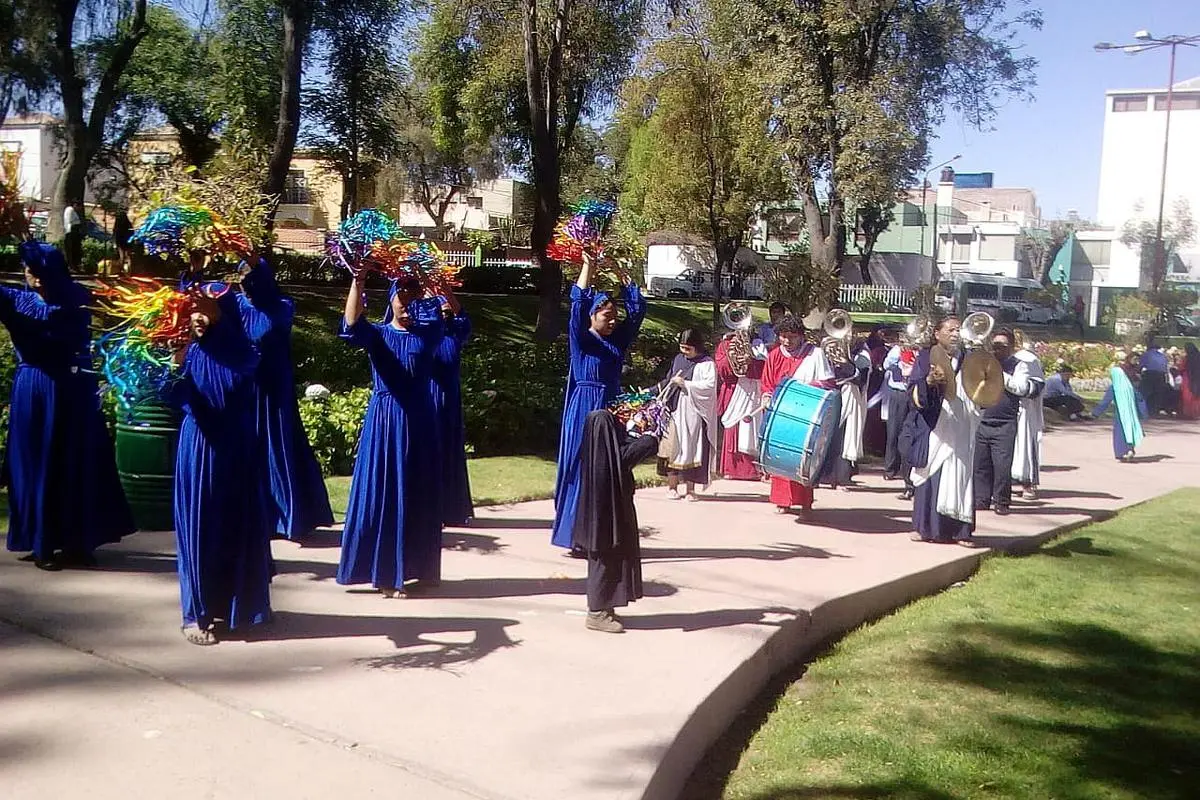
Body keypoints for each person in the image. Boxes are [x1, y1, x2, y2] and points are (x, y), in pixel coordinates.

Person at [3, 242, 134, 570]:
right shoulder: (17, 299)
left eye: (35, 268)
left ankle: (78, 540)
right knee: (37, 461)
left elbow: (68, 331)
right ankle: (41, 541)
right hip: (34, 388)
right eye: (27, 268)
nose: (30, 274)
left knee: (74, 459)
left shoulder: (74, 298)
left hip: (70, 388)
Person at [171, 284, 273, 645]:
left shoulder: (241, 351)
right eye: (190, 308)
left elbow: (241, 367)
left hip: (237, 448)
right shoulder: (185, 350)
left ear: (221, 311)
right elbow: (169, 394)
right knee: (198, 530)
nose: (195, 316)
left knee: (236, 526)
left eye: (203, 308)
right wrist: (172, 364)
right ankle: (195, 614)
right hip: (199, 447)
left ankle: (237, 606)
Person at [337, 274, 445, 596]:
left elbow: (439, 314)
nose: (409, 304)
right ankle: (385, 573)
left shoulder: (429, 334)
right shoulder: (379, 335)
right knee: (385, 493)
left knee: (419, 493)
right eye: (402, 296)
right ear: (391, 299)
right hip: (387, 422)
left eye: (415, 298)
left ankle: (418, 568)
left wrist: (425, 281)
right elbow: (352, 325)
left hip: (421, 420)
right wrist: (358, 280)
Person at [551, 255, 645, 553]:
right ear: (593, 316)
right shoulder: (581, 339)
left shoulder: (616, 342)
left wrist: (620, 270)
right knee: (581, 468)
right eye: (607, 316)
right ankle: (575, 535)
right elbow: (577, 303)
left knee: (609, 470)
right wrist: (588, 266)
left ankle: (603, 533)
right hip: (584, 410)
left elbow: (638, 309)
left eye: (614, 316)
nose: (613, 320)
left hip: (611, 409)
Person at [236, 256, 334, 539]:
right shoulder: (234, 307)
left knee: (277, 447)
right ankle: (252, 515)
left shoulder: (282, 308)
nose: (245, 286)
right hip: (245, 390)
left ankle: (286, 516)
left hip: (274, 389)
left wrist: (253, 258)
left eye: (250, 280)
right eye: (241, 279)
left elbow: (267, 330)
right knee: (246, 449)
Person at [573, 409, 661, 633]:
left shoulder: (598, 450)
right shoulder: (607, 458)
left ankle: (605, 607)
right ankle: (596, 613)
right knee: (605, 560)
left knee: (611, 559)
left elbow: (622, 451)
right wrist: (650, 439)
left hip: (607, 513)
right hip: (607, 516)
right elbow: (624, 457)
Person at [907, 316, 983, 546]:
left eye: (958, 330)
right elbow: (913, 390)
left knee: (959, 474)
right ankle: (925, 528)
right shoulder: (925, 357)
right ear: (937, 334)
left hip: (961, 426)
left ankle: (960, 531)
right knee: (930, 474)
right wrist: (929, 381)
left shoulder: (970, 360)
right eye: (950, 330)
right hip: (935, 426)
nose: (955, 334)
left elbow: (984, 389)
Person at [757, 313, 835, 515]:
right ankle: (782, 501)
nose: (786, 341)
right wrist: (766, 397)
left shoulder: (815, 354)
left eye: (791, 336)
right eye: (783, 336)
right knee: (781, 452)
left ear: (801, 336)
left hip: (806, 414)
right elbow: (767, 384)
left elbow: (828, 383)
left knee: (803, 456)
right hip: (780, 414)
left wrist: (802, 390)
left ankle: (805, 501)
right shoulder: (774, 355)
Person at [973, 327, 1041, 516]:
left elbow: (1021, 388)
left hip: (1005, 422)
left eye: (1002, 346)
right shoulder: (985, 362)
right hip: (983, 419)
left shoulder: (1019, 365)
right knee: (980, 464)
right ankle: (981, 499)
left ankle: (1002, 501)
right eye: (995, 345)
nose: (997, 349)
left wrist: (999, 374)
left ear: (1011, 347)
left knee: (1002, 465)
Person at [656, 328, 718, 501]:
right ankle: (672, 487)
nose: (684, 352)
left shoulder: (707, 364)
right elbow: (668, 380)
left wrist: (686, 384)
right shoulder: (678, 359)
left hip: (694, 413)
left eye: (687, 348)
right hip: (675, 411)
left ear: (697, 347)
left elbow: (709, 387)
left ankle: (691, 490)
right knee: (673, 449)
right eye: (682, 347)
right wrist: (652, 391)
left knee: (693, 449)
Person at [431, 291, 473, 527]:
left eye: (447, 312)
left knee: (450, 452)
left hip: (450, 400)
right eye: (441, 311)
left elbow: (463, 316)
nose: (445, 315)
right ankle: (430, 507)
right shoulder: (425, 335)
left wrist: (445, 288)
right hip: (428, 398)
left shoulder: (455, 334)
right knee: (430, 453)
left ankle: (452, 508)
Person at [818, 340, 869, 490]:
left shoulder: (862, 355)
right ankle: (824, 475)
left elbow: (860, 379)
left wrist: (846, 362)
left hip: (848, 397)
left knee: (843, 437)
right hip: (830, 396)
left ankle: (840, 476)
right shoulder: (822, 350)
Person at [714, 324, 763, 481]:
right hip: (733, 390)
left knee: (752, 426)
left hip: (752, 392)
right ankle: (732, 468)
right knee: (733, 427)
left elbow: (765, 368)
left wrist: (751, 361)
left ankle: (753, 469)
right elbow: (721, 369)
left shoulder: (758, 344)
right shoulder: (725, 345)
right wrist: (731, 357)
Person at [1011, 334, 1046, 501]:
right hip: (1012, 408)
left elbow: (1036, 386)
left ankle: (1026, 483)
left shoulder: (1029, 360)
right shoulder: (1026, 359)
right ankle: (1020, 484)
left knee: (1024, 445)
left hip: (1023, 407)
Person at [1093, 364, 1147, 462]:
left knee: (1120, 433)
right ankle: (1130, 449)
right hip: (1132, 414)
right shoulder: (1130, 387)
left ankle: (1122, 452)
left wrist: (1095, 413)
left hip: (1120, 414)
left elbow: (1105, 402)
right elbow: (1140, 399)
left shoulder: (1114, 387)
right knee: (1130, 430)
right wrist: (1143, 413)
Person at [1139, 336, 1171, 415]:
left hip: (1150, 374)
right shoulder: (1163, 356)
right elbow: (1165, 368)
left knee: (1146, 392)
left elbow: (1141, 366)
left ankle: (1144, 409)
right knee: (1158, 393)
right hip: (1161, 375)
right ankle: (1155, 410)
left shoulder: (1146, 354)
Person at [1179, 343, 1200, 420]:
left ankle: (1188, 413)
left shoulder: (1187, 358)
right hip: (1198, 377)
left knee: (1187, 396)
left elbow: (1181, 367)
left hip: (1188, 377)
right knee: (1197, 396)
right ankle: (1196, 413)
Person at [62, 202, 83, 270]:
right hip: (72, 231)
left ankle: (73, 265)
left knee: (73, 249)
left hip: (72, 231)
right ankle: (71, 265)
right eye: (79, 207)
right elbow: (70, 221)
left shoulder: (72, 210)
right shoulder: (70, 210)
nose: (79, 209)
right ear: (75, 205)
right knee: (72, 249)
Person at [113, 210, 133, 274]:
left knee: (122, 256)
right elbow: (132, 232)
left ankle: (122, 270)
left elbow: (115, 233)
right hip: (126, 242)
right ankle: (127, 271)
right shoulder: (128, 224)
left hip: (121, 242)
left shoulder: (118, 224)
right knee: (127, 256)